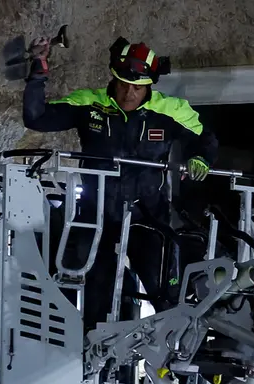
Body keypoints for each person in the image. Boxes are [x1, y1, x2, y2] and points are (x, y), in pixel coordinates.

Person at [23, 35, 218, 333]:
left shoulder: (171, 109)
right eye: (124, 84)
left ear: (149, 86)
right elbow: (36, 117)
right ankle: (90, 361)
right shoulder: (90, 103)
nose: (129, 93)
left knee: (165, 292)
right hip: (95, 216)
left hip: (148, 215)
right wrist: (39, 69)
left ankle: (175, 359)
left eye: (138, 88)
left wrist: (201, 159)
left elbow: (205, 138)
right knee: (96, 296)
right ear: (112, 78)